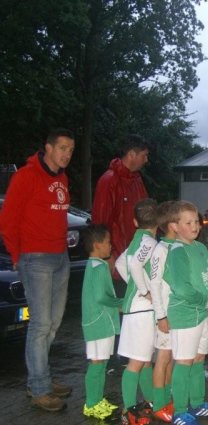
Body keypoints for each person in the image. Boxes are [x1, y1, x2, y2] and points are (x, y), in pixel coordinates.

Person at [0, 128, 75, 411]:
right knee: (41, 325)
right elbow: (7, 220)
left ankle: (40, 377)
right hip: (36, 259)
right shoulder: (26, 176)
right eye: (63, 148)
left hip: (60, 257)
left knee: (53, 323)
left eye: (71, 150)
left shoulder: (62, 178)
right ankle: (40, 387)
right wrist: (17, 256)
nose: (67, 154)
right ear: (48, 148)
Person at [163, 201, 208, 425]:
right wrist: (206, 301)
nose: (195, 226)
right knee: (184, 362)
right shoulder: (177, 252)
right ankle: (179, 410)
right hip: (186, 315)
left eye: (196, 221)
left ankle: (197, 402)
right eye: (188, 223)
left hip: (202, 314)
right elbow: (181, 288)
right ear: (174, 226)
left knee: (198, 359)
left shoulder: (200, 247)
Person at [115, 198, 158, 425]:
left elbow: (120, 263)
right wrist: (144, 290)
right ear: (158, 220)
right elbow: (133, 265)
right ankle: (128, 410)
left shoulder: (137, 240)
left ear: (135, 221)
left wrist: (134, 285)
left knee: (144, 359)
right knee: (137, 363)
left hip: (137, 309)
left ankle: (149, 402)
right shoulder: (149, 242)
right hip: (142, 310)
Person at [80, 224, 122, 419]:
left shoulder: (96, 265)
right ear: (97, 245)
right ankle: (91, 403)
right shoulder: (99, 267)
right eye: (107, 242)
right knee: (97, 363)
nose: (110, 246)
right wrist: (120, 303)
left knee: (101, 362)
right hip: (99, 322)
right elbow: (101, 296)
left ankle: (97, 399)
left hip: (100, 322)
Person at [92, 134, 151, 275]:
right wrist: (107, 255)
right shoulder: (109, 181)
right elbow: (100, 221)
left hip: (138, 255)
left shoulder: (137, 180)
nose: (146, 160)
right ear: (131, 155)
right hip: (117, 257)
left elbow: (147, 214)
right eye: (144, 155)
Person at [147, 201, 177, 423]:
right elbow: (155, 283)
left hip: (178, 313)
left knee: (172, 358)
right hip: (166, 313)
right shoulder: (161, 249)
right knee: (163, 357)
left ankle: (167, 399)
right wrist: (161, 315)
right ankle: (158, 404)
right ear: (172, 225)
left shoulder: (178, 247)